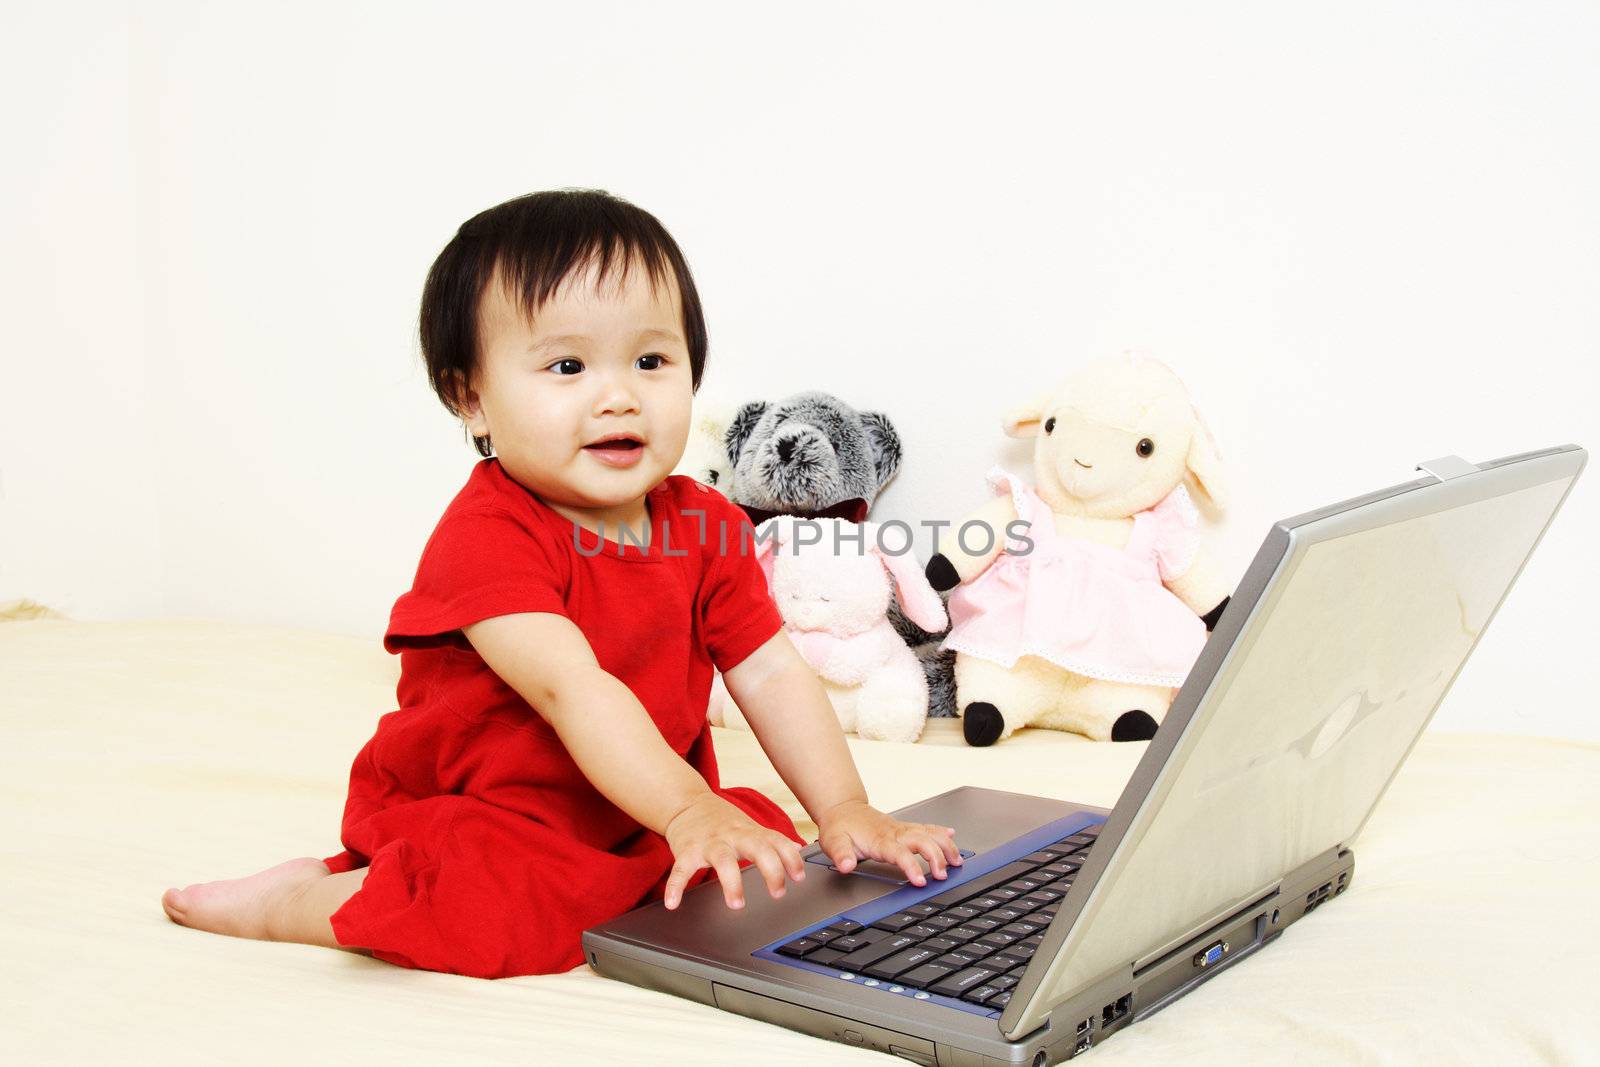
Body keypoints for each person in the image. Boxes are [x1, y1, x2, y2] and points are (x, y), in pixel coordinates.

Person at [160, 188, 963, 979]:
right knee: (495, 911)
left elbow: (771, 670)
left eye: (651, 360)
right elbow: (572, 688)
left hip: (632, 804)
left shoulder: (707, 523)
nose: (618, 395)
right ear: (470, 398)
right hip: (497, 809)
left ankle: (694, 831)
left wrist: (845, 809)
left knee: (763, 854)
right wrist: (687, 808)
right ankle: (294, 901)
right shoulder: (487, 536)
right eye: (568, 365)